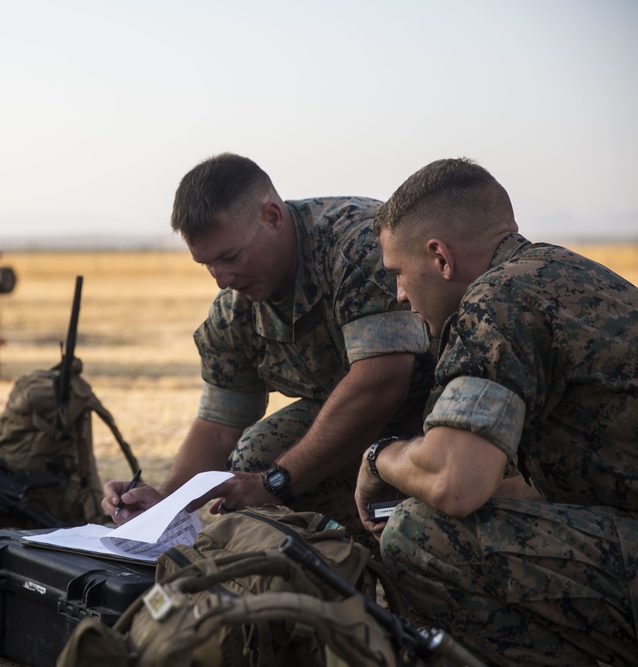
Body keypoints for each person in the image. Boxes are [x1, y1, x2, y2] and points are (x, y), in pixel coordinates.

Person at [355, 157, 638, 665]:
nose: (399, 294)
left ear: (440, 258)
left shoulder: (498, 299)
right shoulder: (566, 274)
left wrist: (381, 459)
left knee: (419, 535)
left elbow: (455, 482)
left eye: (399, 273)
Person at [103, 153, 433, 544]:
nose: (221, 281)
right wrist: (165, 505)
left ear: (272, 217)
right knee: (255, 455)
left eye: (230, 257)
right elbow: (218, 426)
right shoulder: (232, 316)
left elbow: (381, 381)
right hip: (362, 426)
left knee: (265, 473)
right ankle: (337, 573)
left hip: (442, 414)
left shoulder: (355, 245)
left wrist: (274, 483)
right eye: (207, 264)